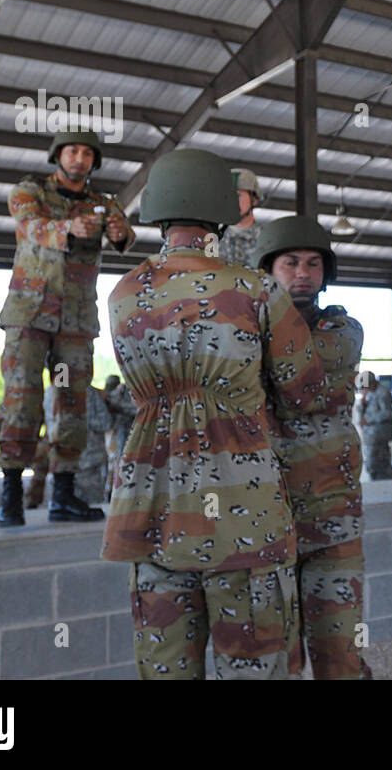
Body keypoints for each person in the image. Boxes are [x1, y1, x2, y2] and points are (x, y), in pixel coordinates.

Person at [101, 148, 327, 680]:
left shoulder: (122, 292)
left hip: (150, 509)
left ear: (156, 209)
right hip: (244, 516)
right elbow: (305, 391)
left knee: (165, 669)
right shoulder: (254, 289)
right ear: (223, 210)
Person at [0, 128, 134, 527]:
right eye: (73, 151)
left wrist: (119, 233)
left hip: (75, 320)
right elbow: (31, 225)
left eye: (88, 154)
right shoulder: (30, 191)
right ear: (58, 155)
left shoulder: (103, 202)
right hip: (30, 314)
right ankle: (11, 496)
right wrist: (67, 229)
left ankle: (64, 496)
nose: (80, 159)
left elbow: (124, 233)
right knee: (22, 399)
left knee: (72, 402)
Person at [255, 215, 372, 679]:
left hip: (333, 519)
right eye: (290, 263)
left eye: (313, 263)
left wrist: (261, 308)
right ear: (270, 268)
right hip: (266, 520)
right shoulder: (246, 331)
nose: (303, 273)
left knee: (340, 654)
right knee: (277, 660)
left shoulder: (344, 331)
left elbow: (295, 380)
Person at [217, 167, 264, 266]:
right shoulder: (213, 238)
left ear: (254, 200)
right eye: (228, 195)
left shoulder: (267, 239)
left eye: (238, 195)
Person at [102, 374, 136, 500]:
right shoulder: (116, 396)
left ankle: (111, 493)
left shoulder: (112, 396)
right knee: (117, 464)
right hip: (117, 434)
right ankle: (113, 493)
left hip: (116, 434)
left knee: (114, 464)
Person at [359, 373, 392, 481]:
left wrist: (369, 420)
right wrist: (362, 403)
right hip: (371, 435)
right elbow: (363, 413)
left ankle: (386, 482)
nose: (365, 390)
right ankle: (379, 481)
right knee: (379, 462)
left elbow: (386, 413)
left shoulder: (382, 393)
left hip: (379, 434)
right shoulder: (369, 393)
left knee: (376, 462)